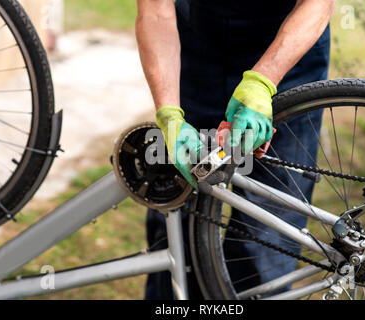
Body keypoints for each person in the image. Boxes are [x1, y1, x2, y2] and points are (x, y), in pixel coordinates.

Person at [135, 0, 335, 299]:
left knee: (267, 234)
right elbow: (155, 10)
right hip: (199, 51)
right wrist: (169, 114)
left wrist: (262, 81)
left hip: (290, 55)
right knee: (176, 219)